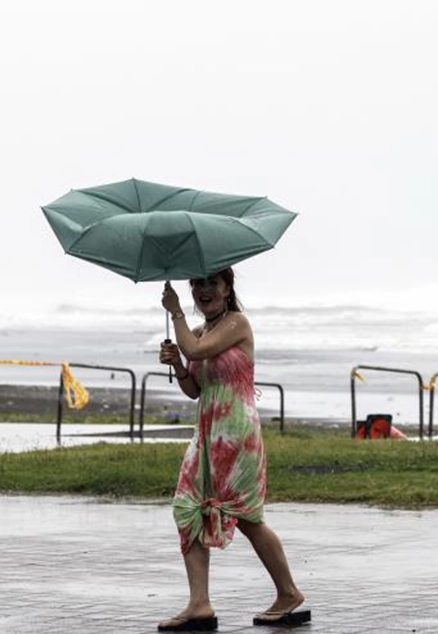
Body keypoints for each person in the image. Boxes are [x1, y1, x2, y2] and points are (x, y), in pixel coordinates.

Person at [156, 268, 305, 631]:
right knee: (187, 506)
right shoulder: (199, 331)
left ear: (227, 288)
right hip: (207, 430)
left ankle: (288, 592)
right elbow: (195, 389)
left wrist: (174, 311)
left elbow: (196, 350)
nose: (203, 290)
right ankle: (199, 604)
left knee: (246, 515)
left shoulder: (237, 323)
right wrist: (177, 364)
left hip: (236, 431)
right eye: (197, 283)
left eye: (211, 282)